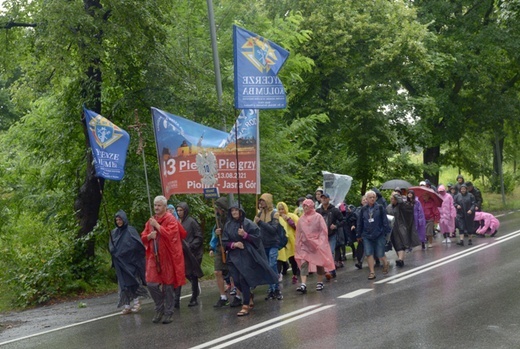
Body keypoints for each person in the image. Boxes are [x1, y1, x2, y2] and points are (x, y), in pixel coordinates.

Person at [222, 203, 278, 316]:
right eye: (232, 210)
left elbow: (258, 239)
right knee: (236, 281)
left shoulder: (249, 223)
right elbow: (224, 242)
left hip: (247, 255)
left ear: (241, 211)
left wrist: (245, 235)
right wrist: (234, 244)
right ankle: (249, 295)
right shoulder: (228, 225)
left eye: (236, 210)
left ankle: (245, 304)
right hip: (233, 257)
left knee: (244, 278)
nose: (234, 212)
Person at [141, 196, 187, 324]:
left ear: (165, 207)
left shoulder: (171, 219)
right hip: (154, 257)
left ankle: (168, 312)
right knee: (151, 283)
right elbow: (143, 236)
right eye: (155, 205)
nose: (156, 208)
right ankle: (159, 307)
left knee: (168, 285)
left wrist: (158, 227)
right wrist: (149, 236)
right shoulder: (151, 221)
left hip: (167, 257)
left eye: (159, 205)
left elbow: (171, 235)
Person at [109, 210, 147, 315]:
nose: (118, 222)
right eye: (116, 220)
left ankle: (136, 302)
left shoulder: (130, 231)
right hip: (120, 264)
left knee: (134, 282)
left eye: (120, 219)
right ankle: (127, 306)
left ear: (124, 219)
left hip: (130, 262)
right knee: (123, 285)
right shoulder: (114, 233)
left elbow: (136, 245)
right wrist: (114, 252)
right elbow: (112, 246)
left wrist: (125, 252)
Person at [294, 199, 335, 294]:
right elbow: (298, 232)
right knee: (304, 263)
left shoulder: (318, 217)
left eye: (306, 206)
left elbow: (323, 230)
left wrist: (320, 242)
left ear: (311, 207)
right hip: (305, 245)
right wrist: (298, 244)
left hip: (316, 244)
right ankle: (303, 284)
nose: (305, 208)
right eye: (303, 206)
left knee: (319, 263)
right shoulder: (301, 219)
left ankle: (320, 282)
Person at [209, 196, 241, 307]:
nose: (216, 210)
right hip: (220, 246)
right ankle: (223, 297)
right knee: (218, 272)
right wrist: (213, 245)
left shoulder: (231, 218)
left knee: (234, 272)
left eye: (218, 208)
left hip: (231, 246)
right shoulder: (217, 218)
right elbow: (214, 234)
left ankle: (238, 295)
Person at [357, 190, 392, 280]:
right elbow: (360, 222)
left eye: (374, 197)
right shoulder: (363, 209)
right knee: (369, 253)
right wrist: (358, 234)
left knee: (380, 254)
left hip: (379, 233)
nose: (372, 199)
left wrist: (386, 233)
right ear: (367, 199)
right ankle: (372, 272)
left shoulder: (380, 208)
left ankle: (385, 263)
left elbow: (385, 221)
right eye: (370, 197)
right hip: (366, 234)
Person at [254, 193, 283, 300]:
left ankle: (276, 288)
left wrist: (260, 222)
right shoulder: (259, 214)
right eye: (260, 201)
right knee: (267, 267)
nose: (261, 202)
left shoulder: (274, 214)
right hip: (263, 244)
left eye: (263, 200)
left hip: (273, 243)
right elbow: (254, 228)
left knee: (272, 264)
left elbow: (273, 230)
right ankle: (271, 289)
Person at [176, 202, 203, 307]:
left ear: (185, 210)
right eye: (177, 210)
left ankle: (194, 297)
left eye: (181, 210)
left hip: (192, 253)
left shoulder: (191, 222)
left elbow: (199, 236)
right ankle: (176, 300)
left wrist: (191, 246)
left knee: (193, 274)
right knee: (185, 273)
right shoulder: (178, 221)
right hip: (181, 253)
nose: (179, 212)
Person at [386, 192, 420, 268]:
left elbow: (405, 206)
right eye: (391, 198)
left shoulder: (402, 206)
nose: (392, 200)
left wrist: (397, 196)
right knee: (396, 244)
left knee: (401, 244)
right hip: (392, 229)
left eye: (394, 199)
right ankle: (400, 259)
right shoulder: (388, 207)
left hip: (401, 227)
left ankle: (400, 259)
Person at [316, 193, 344, 279]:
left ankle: (330, 271)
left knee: (330, 252)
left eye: (325, 198)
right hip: (321, 236)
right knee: (323, 253)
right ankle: (331, 270)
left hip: (332, 234)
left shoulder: (334, 210)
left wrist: (336, 226)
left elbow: (343, 220)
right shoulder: (318, 211)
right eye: (322, 198)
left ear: (329, 199)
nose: (324, 199)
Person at [276, 201, 299, 284]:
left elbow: (297, 227)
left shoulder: (292, 216)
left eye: (282, 209)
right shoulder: (276, 217)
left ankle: (295, 274)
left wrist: (288, 220)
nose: (281, 211)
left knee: (292, 258)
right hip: (281, 241)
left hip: (291, 240)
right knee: (280, 258)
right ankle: (279, 274)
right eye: (279, 209)